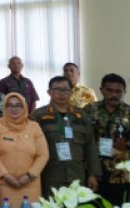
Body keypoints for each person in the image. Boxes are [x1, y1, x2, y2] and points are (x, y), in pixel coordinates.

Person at [31, 76, 101, 195]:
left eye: (66, 90)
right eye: (57, 89)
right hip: (50, 176)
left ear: (71, 92)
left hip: (77, 175)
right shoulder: (38, 116)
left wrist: (93, 174)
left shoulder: (82, 116)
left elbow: (90, 147)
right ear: (49, 92)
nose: (62, 93)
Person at [0, 93, 48, 205]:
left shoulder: (34, 127)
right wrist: (6, 176)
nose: (14, 108)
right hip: (4, 185)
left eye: (18, 105)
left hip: (30, 185)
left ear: (24, 107)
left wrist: (29, 176)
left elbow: (43, 155)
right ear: (4, 107)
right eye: (9, 105)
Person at [83, 73, 130, 205]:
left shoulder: (129, 112)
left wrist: (126, 143)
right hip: (94, 172)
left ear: (124, 92)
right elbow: (81, 137)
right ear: (102, 90)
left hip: (120, 175)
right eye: (109, 90)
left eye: (118, 91)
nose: (114, 95)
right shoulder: (89, 110)